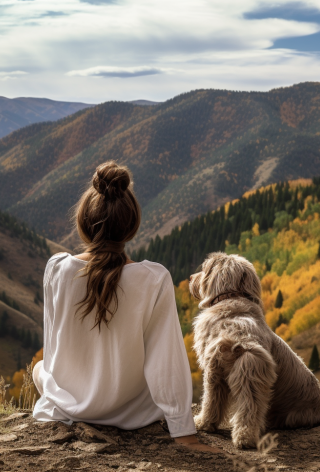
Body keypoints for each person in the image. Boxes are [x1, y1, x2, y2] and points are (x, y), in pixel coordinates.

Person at [32, 161, 219, 453]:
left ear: (84, 221)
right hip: (133, 414)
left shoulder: (57, 269)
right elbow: (165, 360)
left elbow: (54, 348)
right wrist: (184, 433)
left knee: (40, 368)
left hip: (69, 408)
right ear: (130, 225)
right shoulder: (154, 278)